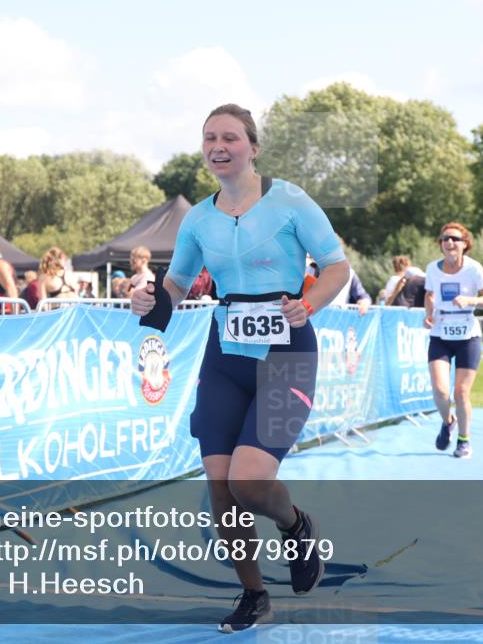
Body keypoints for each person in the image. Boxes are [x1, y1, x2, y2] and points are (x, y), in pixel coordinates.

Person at [131, 104, 349, 633]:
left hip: (286, 353)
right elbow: (178, 284)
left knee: (251, 483)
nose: (218, 145)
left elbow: (338, 268)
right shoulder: (198, 218)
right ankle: (254, 594)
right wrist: (150, 301)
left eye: (230, 136)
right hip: (225, 354)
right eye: (209, 138)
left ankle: (297, 527)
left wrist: (309, 303)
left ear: (253, 146)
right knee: (221, 488)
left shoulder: (290, 200)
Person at [424, 222, 483, 460]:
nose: (449, 243)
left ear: (465, 244)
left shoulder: (474, 269)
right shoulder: (432, 269)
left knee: (461, 393)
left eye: (455, 238)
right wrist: (429, 314)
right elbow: (429, 294)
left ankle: (464, 441)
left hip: (468, 336)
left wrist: (470, 300)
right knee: (440, 391)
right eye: (445, 239)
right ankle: (448, 421)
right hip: (440, 335)